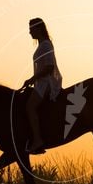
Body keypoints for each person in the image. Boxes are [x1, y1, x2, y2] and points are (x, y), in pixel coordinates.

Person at [21, 17, 63, 154]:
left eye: (31, 29)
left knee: (30, 107)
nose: (29, 32)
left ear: (38, 29)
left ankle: (38, 139)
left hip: (46, 84)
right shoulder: (42, 45)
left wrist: (33, 78)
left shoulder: (45, 45)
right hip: (41, 82)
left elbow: (49, 67)